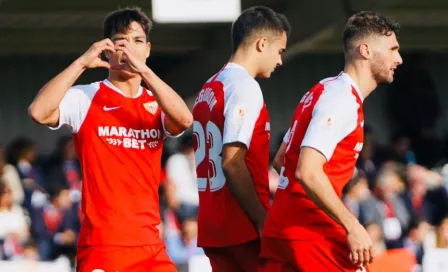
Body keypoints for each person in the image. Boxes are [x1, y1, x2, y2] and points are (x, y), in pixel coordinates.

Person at [28, 7, 192, 272]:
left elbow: (184, 120)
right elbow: (38, 112)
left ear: (148, 49)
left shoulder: (157, 103)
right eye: (121, 43)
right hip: (102, 247)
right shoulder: (87, 97)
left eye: (138, 42)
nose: (129, 50)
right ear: (107, 49)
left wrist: (145, 72)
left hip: (151, 246)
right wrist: (81, 62)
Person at [260, 11, 403, 272]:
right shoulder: (341, 99)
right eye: (393, 49)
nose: (399, 59)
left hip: (286, 229)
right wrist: (352, 224)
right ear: (366, 50)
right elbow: (307, 170)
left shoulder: (323, 89)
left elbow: (282, 160)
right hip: (310, 233)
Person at [192, 6, 290, 272]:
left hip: (214, 224)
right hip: (243, 226)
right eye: (279, 51)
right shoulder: (244, 86)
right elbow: (232, 162)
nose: (280, 61)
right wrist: (262, 220)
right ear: (262, 43)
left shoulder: (209, 87)